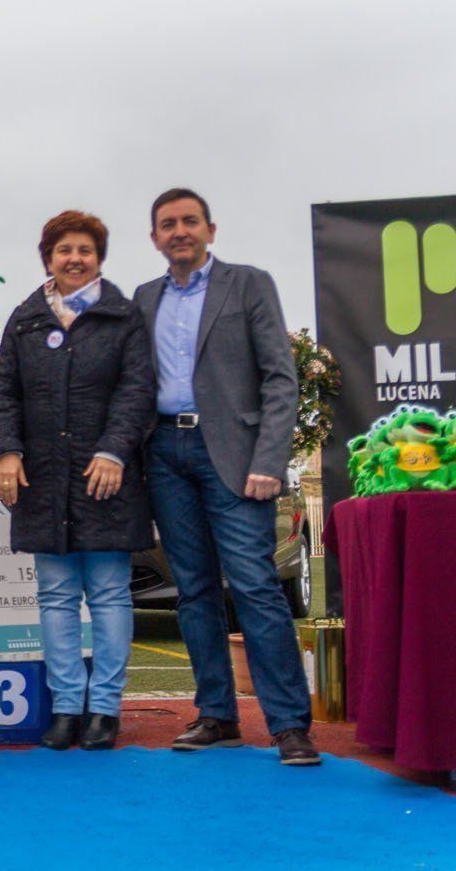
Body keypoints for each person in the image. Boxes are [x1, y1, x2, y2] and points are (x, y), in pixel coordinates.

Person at [133, 188, 317, 765]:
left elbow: (280, 380)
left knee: (256, 587)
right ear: (155, 238)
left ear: (211, 229)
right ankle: (217, 714)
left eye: (190, 221)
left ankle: (289, 725)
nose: (179, 231)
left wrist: (269, 460)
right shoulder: (143, 298)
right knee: (193, 591)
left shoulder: (249, 283)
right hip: (164, 452)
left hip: (235, 458)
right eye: (168, 224)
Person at [0, 211, 155, 750]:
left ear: (99, 258)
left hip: (107, 477)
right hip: (41, 478)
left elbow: (137, 391)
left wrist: (113, 450)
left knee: (108, 595)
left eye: (85, 250)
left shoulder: (123, 317)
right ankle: (65, 708)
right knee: (56, 596)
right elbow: (3, 392)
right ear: (48, 258)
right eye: (64, 250)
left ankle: (104, 709)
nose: (75, 258)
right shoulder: (25, 318)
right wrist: (7, 452)